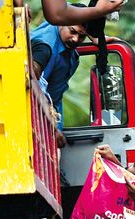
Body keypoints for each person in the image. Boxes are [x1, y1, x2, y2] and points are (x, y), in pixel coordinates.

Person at [30, 11, 88, 145]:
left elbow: (55, 95)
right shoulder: (46, 46)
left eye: (82, 36)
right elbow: (36, 89)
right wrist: (53, 128)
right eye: (72, 31)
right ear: (62, 22)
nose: (75, 39)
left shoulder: (70, 55)